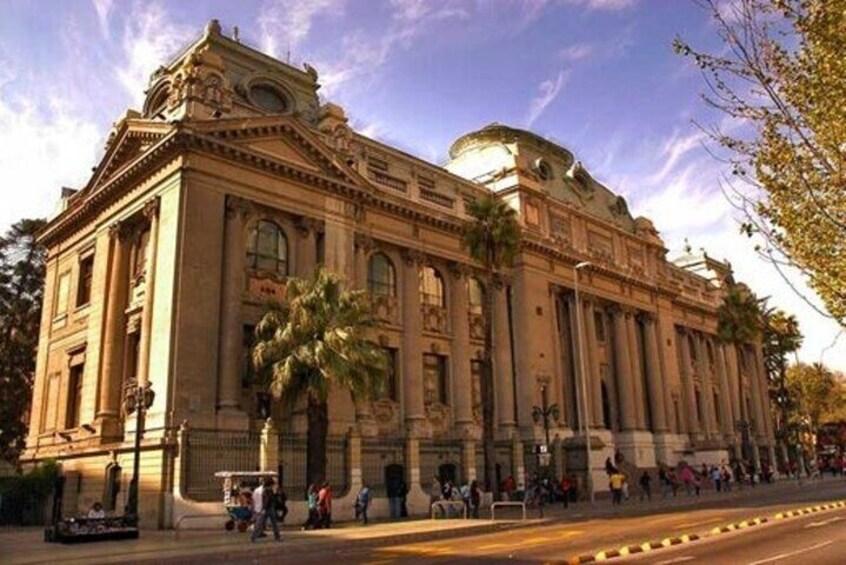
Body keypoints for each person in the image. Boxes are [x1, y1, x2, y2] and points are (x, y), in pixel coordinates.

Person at [251, 477, 281, 543]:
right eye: (271, 485)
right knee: (261, 523)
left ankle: (277, 537)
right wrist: (263, 509)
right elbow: (266, 501)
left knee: (270, 523)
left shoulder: (268, 490)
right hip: (266, 509)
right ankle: (253, 536)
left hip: (268, 508)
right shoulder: (264, 491)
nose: (272, 486)